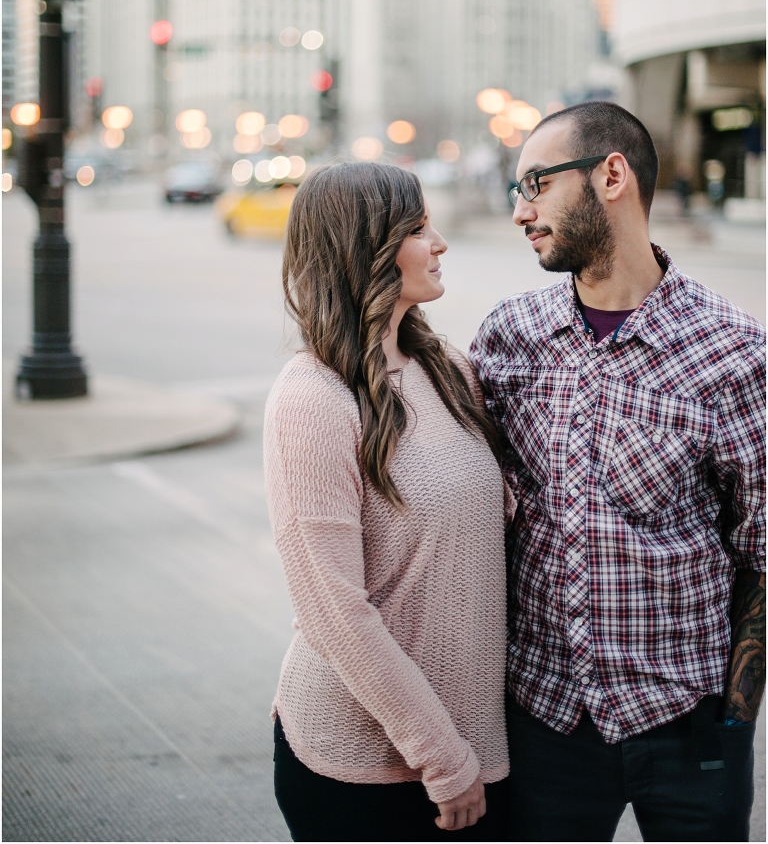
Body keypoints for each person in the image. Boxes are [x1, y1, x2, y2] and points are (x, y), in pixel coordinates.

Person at [470, 101, 765, 843]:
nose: (520, 212)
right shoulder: (511, 338)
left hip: (688, 721)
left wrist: (734, 717)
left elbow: (764, 546)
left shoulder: (734, 356)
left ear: (610, 175)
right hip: (545, 719)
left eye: (534, 183)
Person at [264, 162, 512, 842]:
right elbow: (333, 609)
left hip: (478, 747)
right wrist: (442, 757)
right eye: (419, 227)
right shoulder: (313, 397)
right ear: (366, 246)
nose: (440, 243)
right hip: (365, 764)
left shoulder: (448, 370)